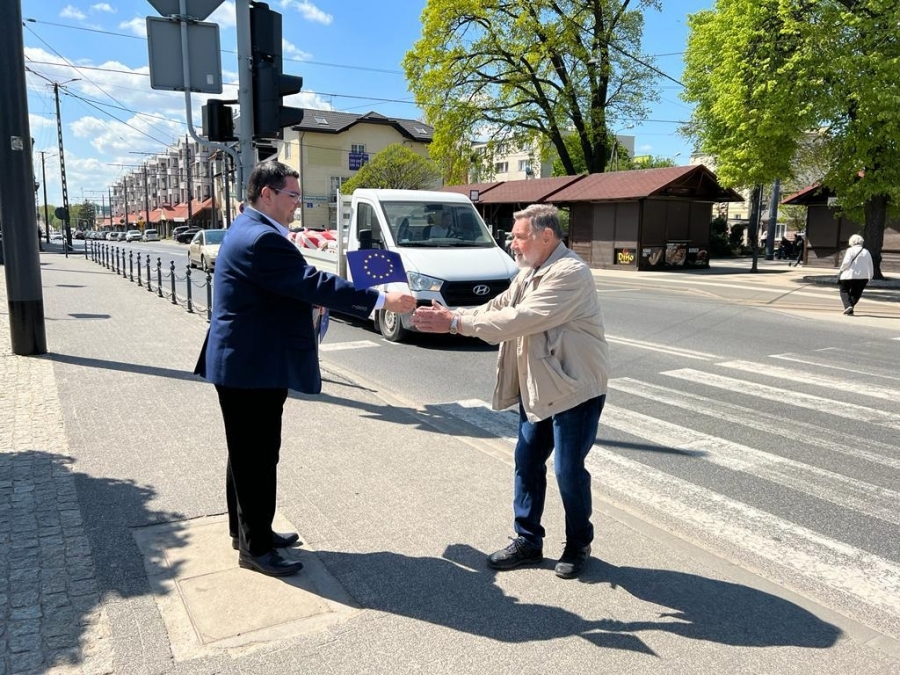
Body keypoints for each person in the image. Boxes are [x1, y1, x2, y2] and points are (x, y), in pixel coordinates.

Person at [195, 160, 415, 577]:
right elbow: (313, 283)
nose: (298, 203)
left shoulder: (248, 228)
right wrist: (382, 299)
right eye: (292, 195)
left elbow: (286, 286)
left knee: (248, 456)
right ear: (267, 195)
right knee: (255, 459)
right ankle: (256, 550)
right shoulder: (262, 238)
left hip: (247, 362)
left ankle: (249, 531)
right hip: (251, 366)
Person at [411, 204, 609, 579]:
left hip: (575, 388)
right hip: (539, 386)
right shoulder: (529, 272)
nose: (512, 244)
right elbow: (498, 306)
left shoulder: (570, 273)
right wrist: (451, 314)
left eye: (519, 237)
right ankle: (528, 540)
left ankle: (578, 542)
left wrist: (453, 323)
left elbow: (520, 319)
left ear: (546, 236)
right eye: (513, 238)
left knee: (568, 471)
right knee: (527, 461)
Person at [838, 233, 874, 315]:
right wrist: (870, 276)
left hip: (849, 275)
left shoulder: (850, 250)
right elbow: (870, 264)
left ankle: (848, 306)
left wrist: (842, 269)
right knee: (856, 293)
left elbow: (846, 262)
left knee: (844, 290)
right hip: (863, 276)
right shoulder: (866, 251)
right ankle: (850, 308)